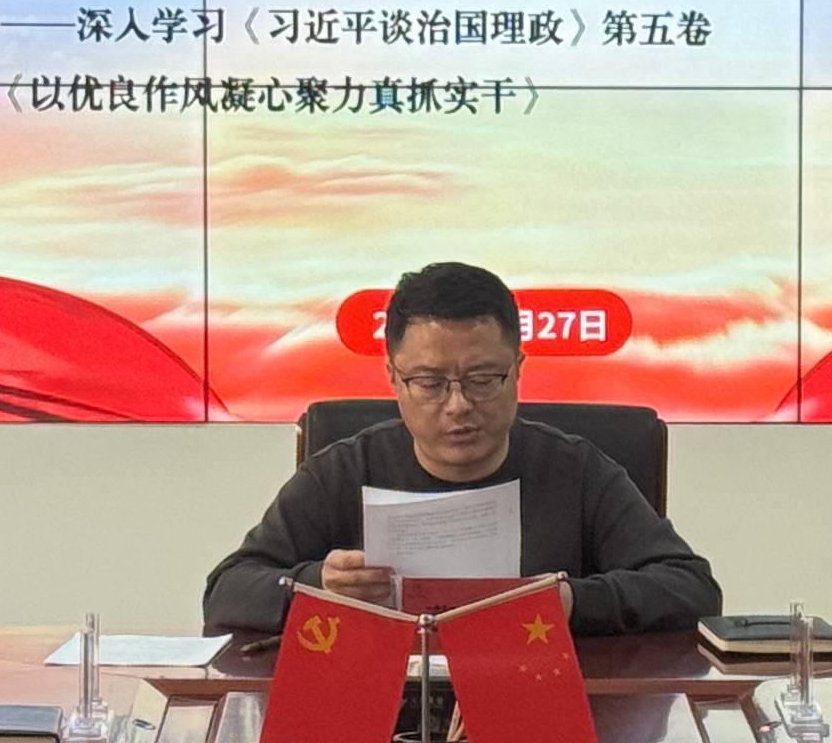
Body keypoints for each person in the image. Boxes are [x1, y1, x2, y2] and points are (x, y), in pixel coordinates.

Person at [202, 261, 721, 634]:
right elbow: (226, 591)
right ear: (394, 378)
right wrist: (317, 585)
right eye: (430, 383)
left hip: (536, 703)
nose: (458, 406)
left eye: (482, 379)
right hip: (382, 714)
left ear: (517, 370)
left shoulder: (575, 470)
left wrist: (572, 602)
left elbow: (692, 588)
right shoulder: (345, 470)